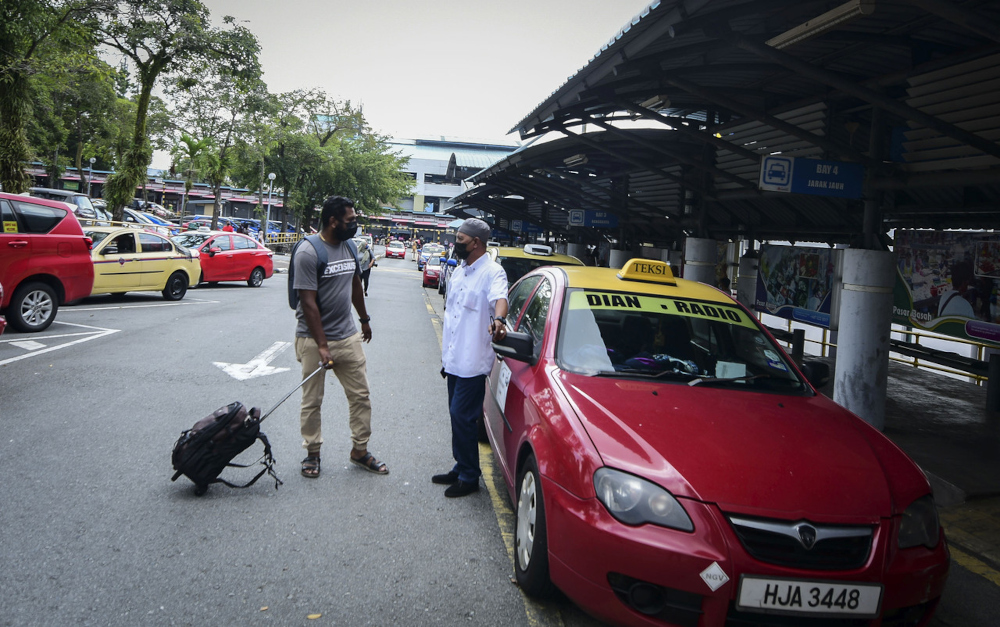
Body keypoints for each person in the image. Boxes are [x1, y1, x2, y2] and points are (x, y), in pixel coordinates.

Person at [292, 195, 387, 478]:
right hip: (313, 340)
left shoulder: (348, 246)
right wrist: (322, 346)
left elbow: (356, 283)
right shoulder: (308, 253)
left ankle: (359, 450)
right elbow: (308, 303)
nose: (355, 224)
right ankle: (312, 453)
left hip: (347, 336)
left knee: (361, 396)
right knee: (313, 400)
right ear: (333, 221)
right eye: (350, 220)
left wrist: (365, 319)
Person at [432, 218, 508, 498]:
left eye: (461, 240)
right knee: (456, 416)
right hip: (453, 358)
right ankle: (460, 465)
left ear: (476, 243)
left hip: (473, 361)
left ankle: (469, 476)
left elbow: (500, 299)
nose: (456, 244)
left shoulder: (492, 272)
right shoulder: (461, 271)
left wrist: (499, 320)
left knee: (462, 416)